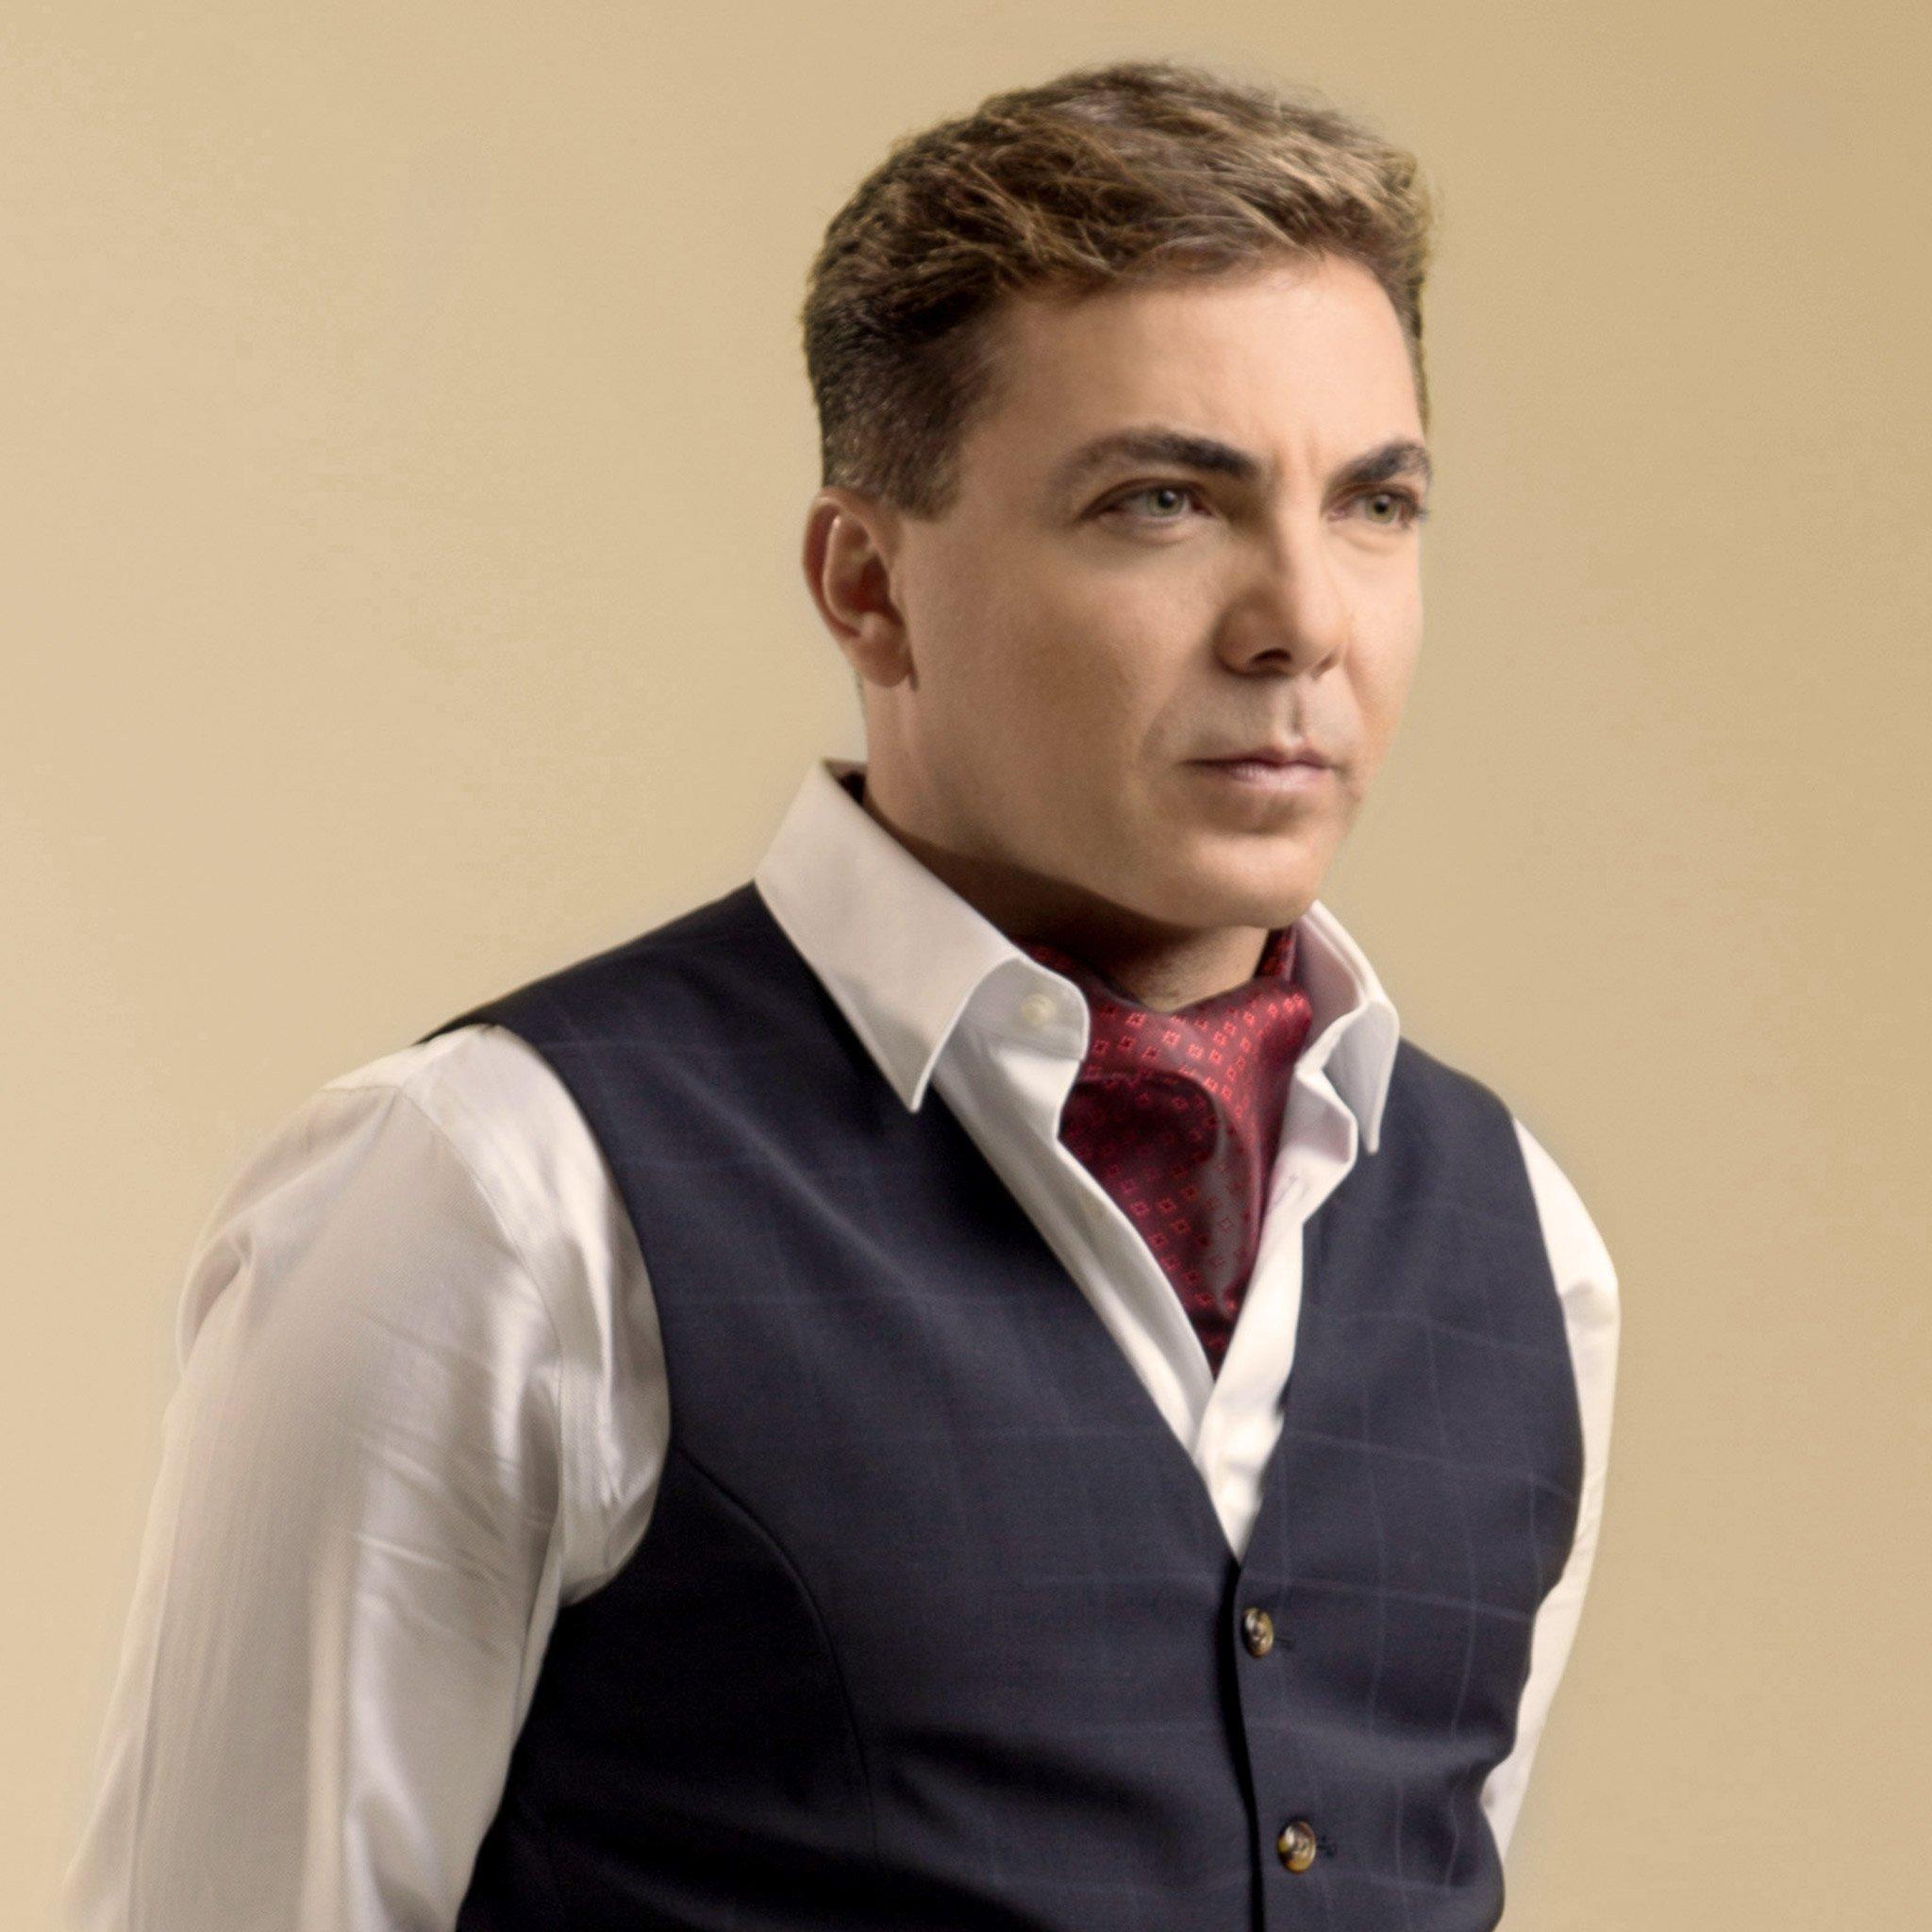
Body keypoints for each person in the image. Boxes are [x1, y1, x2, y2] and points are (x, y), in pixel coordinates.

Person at [65, 56, 1620, 1931]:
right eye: (1161, 501)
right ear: (868, 586)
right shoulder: (498, 1195)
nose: (1303, 617)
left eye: (1375, 503)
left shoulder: (1521, 1245)